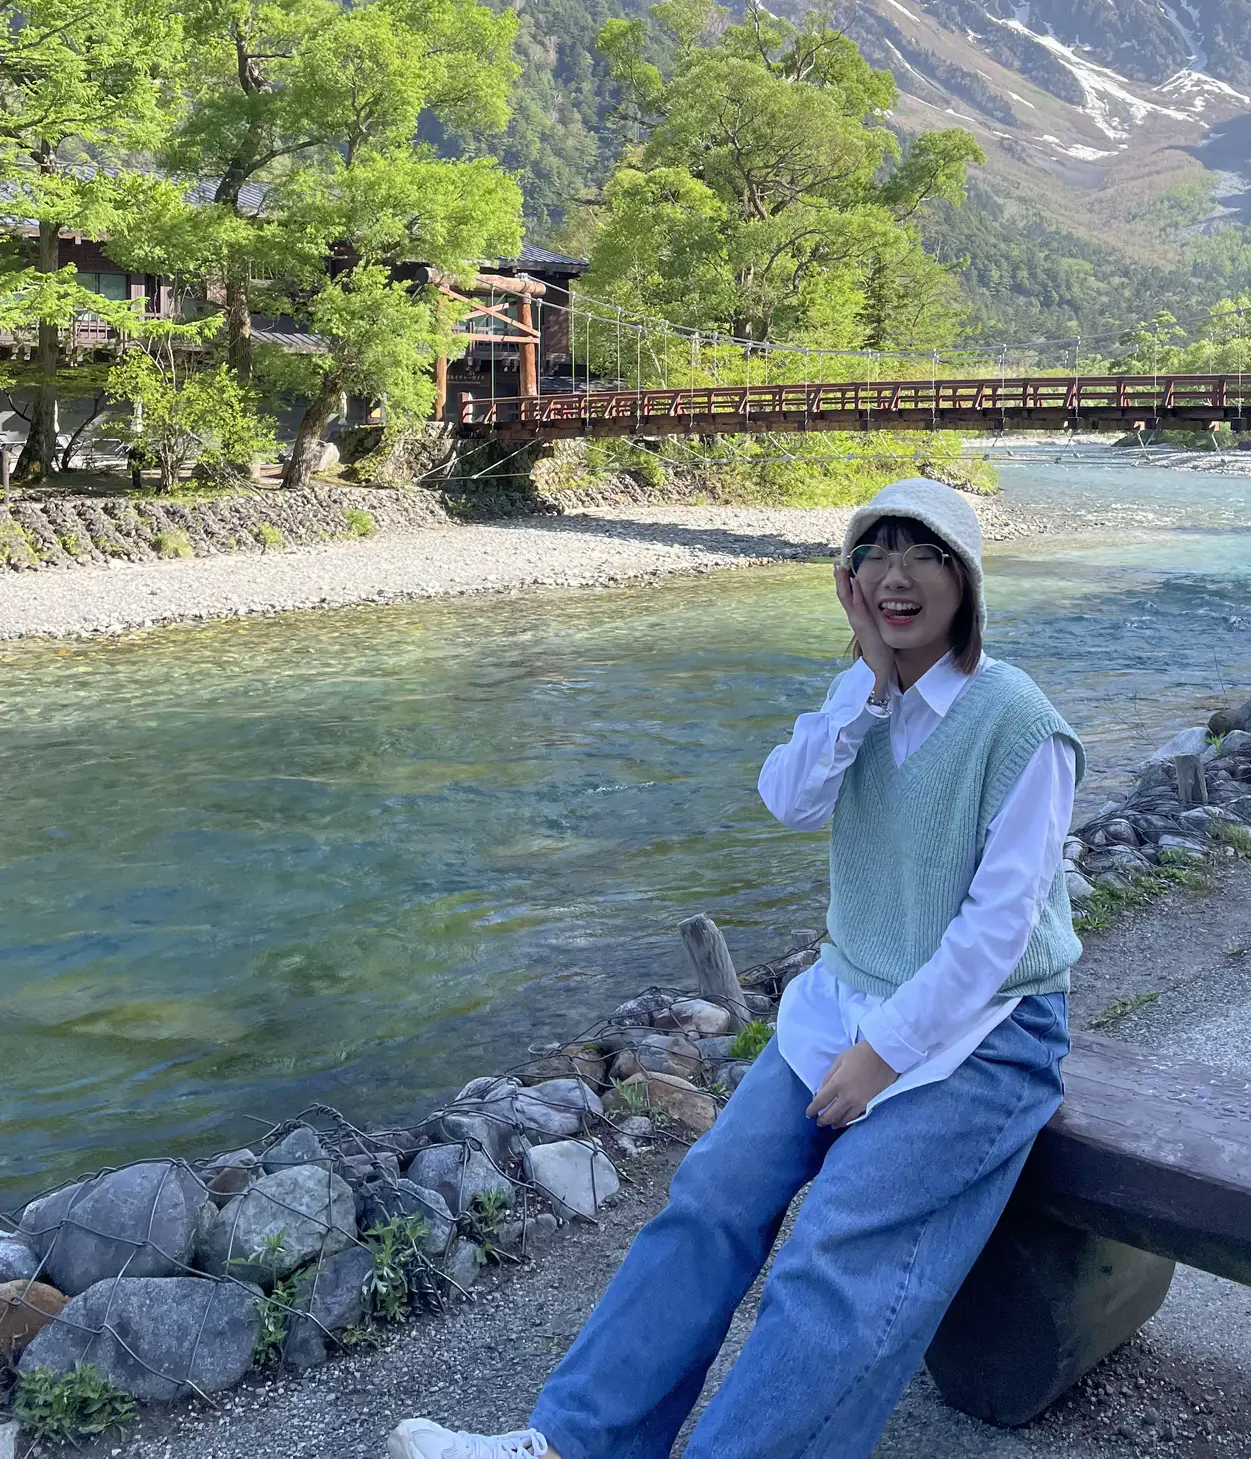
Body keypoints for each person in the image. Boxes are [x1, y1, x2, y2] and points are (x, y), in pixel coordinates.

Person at [388, 477, 1083, 1459]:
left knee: (832, 1250)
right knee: (710, 1198)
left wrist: (881, 1055)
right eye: (876, 554)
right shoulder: (868, 701)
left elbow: (998, 931)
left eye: (924, 555)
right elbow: (789, 798)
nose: (898, 576)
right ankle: (572, 1443)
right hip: (849, 999)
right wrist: (866, 684)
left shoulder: (1019, 721)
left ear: (965, 581)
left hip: (990, 1032)